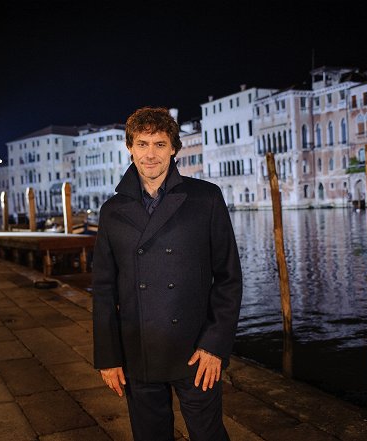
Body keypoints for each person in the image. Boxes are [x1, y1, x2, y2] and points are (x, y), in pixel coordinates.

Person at [92, 107, 243, 441]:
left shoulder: (205, 198)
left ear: (174, 148)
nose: (150, 154)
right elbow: (103, 289)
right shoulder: (113, 211)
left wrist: (215, 346)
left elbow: (229, 277)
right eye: (142, 143)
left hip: (195, 351)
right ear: (129, 147)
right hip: (138, 351)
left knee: (209, 435)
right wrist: (108, 357)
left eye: (160, 144)